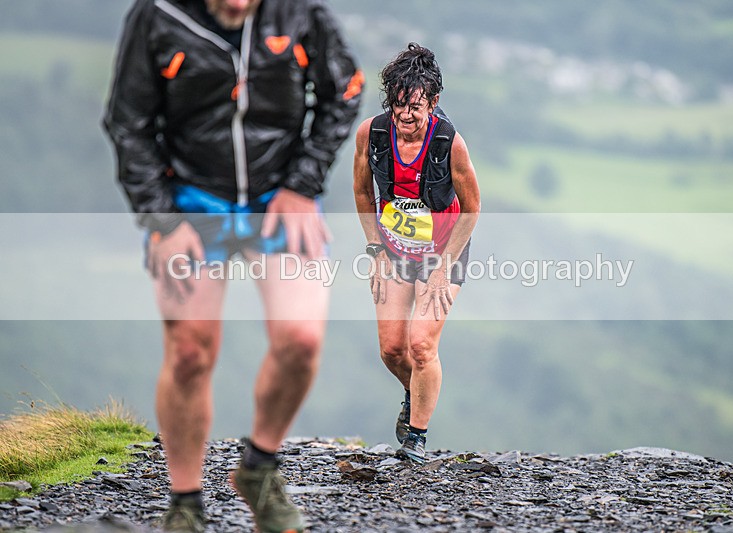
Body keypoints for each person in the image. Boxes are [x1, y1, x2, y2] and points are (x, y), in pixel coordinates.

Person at [103, 0, 362, 531]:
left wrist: (302, 185)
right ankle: (186, 503)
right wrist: (162, 220)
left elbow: (346, 92)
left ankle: (259, 468)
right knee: (190, 352)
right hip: (192, 202)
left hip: (280, 197)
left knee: (301, 341)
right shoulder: (156, 16)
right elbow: (127, 122)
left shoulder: (300, 11)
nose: (238, 6)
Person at [352, 43, 480, 463]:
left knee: (421, 344)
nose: (406, 116)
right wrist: (375, 250)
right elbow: (361, 191)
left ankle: (416, 440)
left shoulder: (449, 143)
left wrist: (443, 270)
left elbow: (472, 208)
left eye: (416, 107)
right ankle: (415, 391)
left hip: (445, 250)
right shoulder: (371, 134)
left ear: (434, 102)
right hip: (394, 249)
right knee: (392, 349)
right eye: (399, 106)